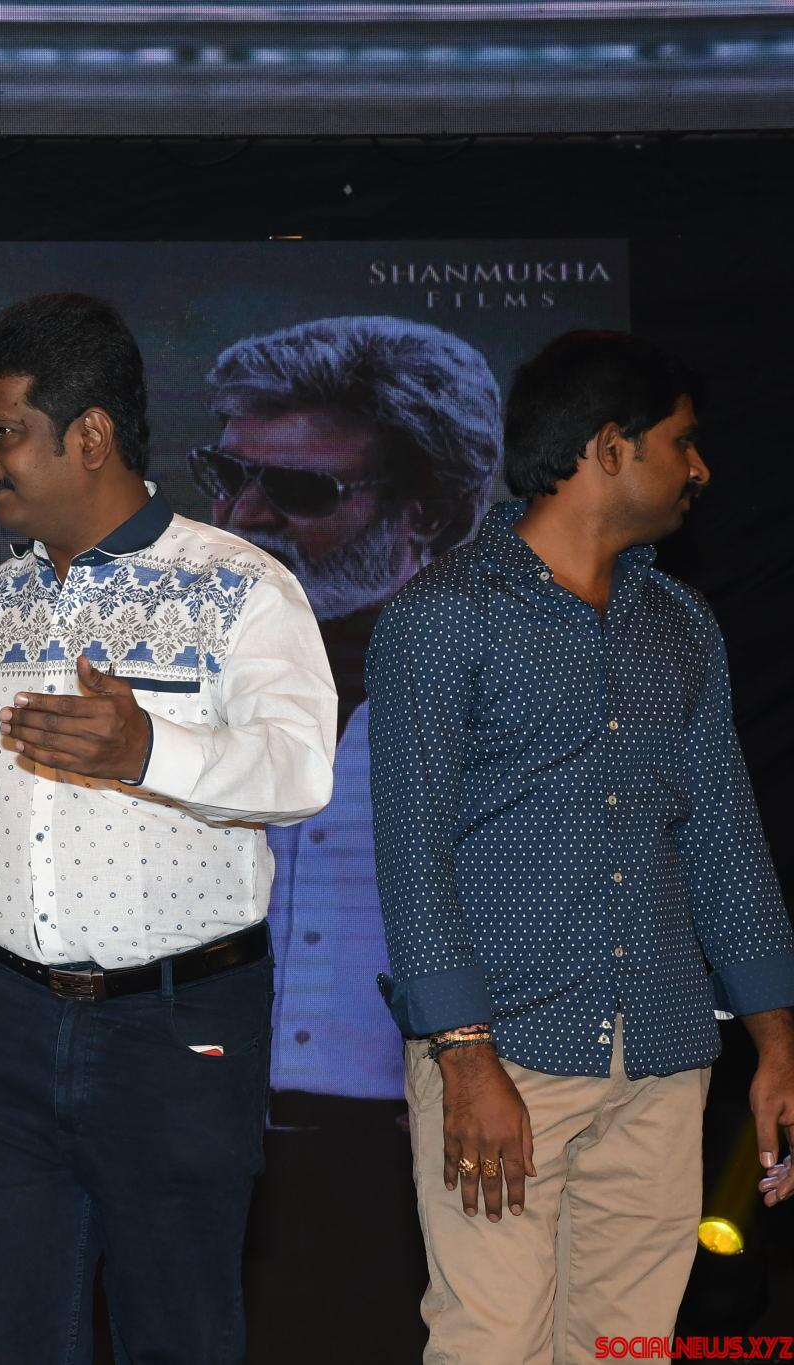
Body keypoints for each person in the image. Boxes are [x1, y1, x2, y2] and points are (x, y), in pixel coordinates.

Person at [0, 293, 337, 1363]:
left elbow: (298, 769)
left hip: (176, 1030)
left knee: (178, 1338)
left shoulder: (238, 586)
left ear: (88, 435)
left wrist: (148, 749)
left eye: (3, 431)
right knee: (8, 1340)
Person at [368, 329, 794, 1362]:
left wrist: (776, 1037)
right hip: (503, 1055)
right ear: (609, 447)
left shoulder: (680, 624)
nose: (699, 467)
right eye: (680, 441)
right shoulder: (440, 619)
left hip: (663, 1052)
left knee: (626, 1346)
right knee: (491, 1341)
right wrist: (464, 1058)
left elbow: (723, 836)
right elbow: (412, 856)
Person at [197, 319, 500, 1102]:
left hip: (432, 1144)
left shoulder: (510, 705)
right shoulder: (167, 684)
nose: (242, 517)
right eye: (226, 475)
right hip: (207, 1134)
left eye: (299, 489)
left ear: (428, 511)